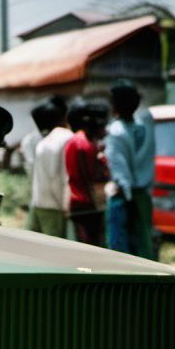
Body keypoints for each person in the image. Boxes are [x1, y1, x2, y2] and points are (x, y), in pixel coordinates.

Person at [104, 79, 156, 259]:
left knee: (122, 248)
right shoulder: (145, 125)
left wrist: (125, 196)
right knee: (144, 241)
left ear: (116, 104)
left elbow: (119, 169)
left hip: (125, 196)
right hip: (144, 193)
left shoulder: (115, 131)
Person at [64, 98, 109, 247]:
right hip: (87, 204)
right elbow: (94, 175)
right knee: (92, 246)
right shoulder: (84, 144)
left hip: (78, 202)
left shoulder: (75, 140)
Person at [27, 99, 72, 237]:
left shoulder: (43, 142)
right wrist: (65, 205)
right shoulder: (67, 138)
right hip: (55, 205)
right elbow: (62, 177)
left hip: (39, 201)